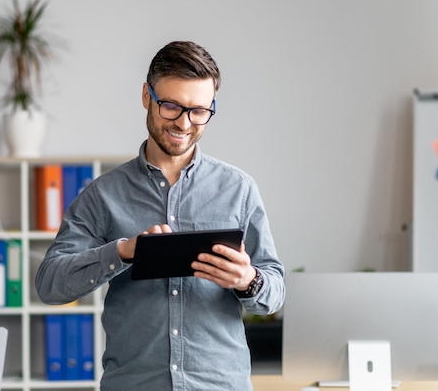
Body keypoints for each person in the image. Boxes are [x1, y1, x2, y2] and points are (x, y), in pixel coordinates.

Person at [35, 41, 285, 391]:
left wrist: (248, 279)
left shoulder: (238, 189)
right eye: (171, 106)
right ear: (146, 96)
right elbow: (50, 284)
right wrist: (123, 252)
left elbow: (274, 289)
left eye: (199, 111)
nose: (184, 123)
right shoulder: (102, 194)